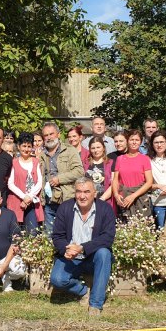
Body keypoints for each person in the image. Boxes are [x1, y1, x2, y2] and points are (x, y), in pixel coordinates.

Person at [49, 177, 115, 316]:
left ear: (94, 193)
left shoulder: (105, 209)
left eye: (86, 191)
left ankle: (96, 304)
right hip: (71, 257)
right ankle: (84, 291)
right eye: (79, 191)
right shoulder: (65, 207)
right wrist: (65, 249)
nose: (82, 196)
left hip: (93, 256)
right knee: (57, 279)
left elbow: (107, 238)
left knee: (104, 253)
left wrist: (83, 247)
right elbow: (57, 236)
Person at [40, 122, 84, 232]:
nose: (49, 137)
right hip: (48, 203)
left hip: (67, 200)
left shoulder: (70, 150)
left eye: (51, 134)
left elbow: (79, 171)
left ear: (58, 134)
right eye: (46, 135)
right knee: (49, 236)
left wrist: (60, 179)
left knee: (69, 233)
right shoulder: (41, 154)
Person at [112, 130, 153, 222]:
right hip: (124, 200)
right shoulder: (120, 159)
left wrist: (133, 196)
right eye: (131, 139)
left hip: (139, 199)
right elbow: (115, 180)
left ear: (140, 142)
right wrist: (116, 195)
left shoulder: (145, 159)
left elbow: (149, 182)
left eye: (137, 140)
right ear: (127, 141)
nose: (134, 142)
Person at [6, 132, 43, 233]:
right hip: (16, 202)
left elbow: (39, 182)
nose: (26, 149)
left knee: (33, 233)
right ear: (18, 146)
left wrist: (29, 197)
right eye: (24, 146)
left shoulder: (36, 162)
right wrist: (23, 197)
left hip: (32, 203)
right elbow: (10, 183)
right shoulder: (14, 162)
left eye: (29, 146)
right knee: (15, 234)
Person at [83, 137, 114, 210]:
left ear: (103, 148)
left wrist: (102, 199)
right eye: (93, 148)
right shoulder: (85, 163)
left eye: (98, 147)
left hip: (105, 202)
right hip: (88, 203)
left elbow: (113, 184)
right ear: (90, 150)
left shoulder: (111, 163)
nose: (96, 150)